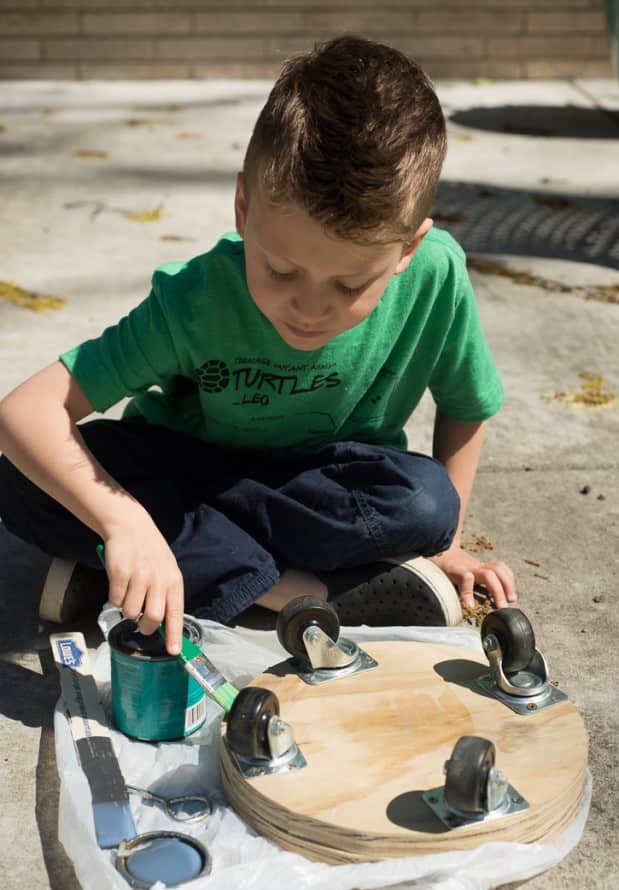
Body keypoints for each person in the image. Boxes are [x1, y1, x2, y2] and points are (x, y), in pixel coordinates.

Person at [0, 36, 516, 657]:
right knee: (20, 483)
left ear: (408, 250)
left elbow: (467, 402)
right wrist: (123, 519)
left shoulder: (437, 276)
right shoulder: (197, 299)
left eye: (351, 284)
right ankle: (300, 590)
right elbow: (24, 413)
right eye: (279, 269)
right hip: (188, 467)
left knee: (427, 502)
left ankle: (145, 570)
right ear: (243, 207)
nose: (310, 306)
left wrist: (447, 546)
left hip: (319, 484)